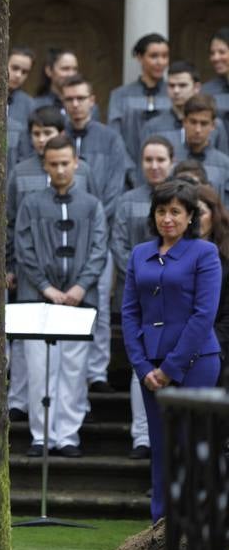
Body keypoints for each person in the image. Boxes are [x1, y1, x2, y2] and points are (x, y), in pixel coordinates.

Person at [122, 178, 221, 523]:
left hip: (196, 364)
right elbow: (130, 312)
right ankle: (160, 527)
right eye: (162, 211)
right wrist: (142, 366)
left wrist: (170, 368)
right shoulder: (139, 254)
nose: (168, 218)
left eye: (176, 212)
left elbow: (204, 315)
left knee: (191, 446)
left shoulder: (205, 253)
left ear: (191, 216)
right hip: (150, 368)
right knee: (161, 448)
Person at [14, 134, 107, 456]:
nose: (60, 169)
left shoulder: (92, 205)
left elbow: (99, 248)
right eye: (53, 164)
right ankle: (42, 435)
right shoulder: (31, 203)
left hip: (79, 300)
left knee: (73, 368)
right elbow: (23, 248)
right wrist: (47, 288)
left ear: (76, 163)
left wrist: (80, 286)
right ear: (45, 165)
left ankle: (68, 434)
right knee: (39, 368)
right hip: (39, 299)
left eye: (65, 163)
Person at [61, 74, 126, 394]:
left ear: (92, 100)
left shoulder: (110, 138)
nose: (75, 104)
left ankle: (97, 371)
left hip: (102, 235)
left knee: (99, 300)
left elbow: (114, 187)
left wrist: (96, 220)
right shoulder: (58, 138)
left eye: (80, 98)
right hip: (63, 237)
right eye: (69, 99)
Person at [111, 134, 174, 459]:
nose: (154, 166)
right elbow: (119, 244)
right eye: (148, 160)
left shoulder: (180, 202)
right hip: (138, 295)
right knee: (142, 363)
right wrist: (144, 276)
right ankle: (142, 436)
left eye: (160, 160)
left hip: (175, 299)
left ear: (171, 162)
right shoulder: (127, 200)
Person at [138, 61, 228, 166]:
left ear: (196, 87)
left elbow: (222, 166)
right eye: (171, 85)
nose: (176, 91)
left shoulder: (217, 125)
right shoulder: (153, 127)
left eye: (182, 85)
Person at [108, 33, 170, 174]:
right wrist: (129, 170)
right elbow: (115, 138)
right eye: (154, 56)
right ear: (140, 57)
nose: (160, 62)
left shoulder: (174, 93)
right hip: (128, 172)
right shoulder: (120, 95)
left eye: (165, 56)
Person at [170, 93, 229, 204]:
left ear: (213, 125)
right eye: (193, 122)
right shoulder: (171, 159)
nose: (198, 129)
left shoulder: (225, 165)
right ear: (184, 122)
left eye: (204, 123)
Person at [197, 184, 229, 374]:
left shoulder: (226, 257)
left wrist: (206, 348)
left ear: (214, 214)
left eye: (200, 213)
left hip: (217, 352)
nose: (193, 220)